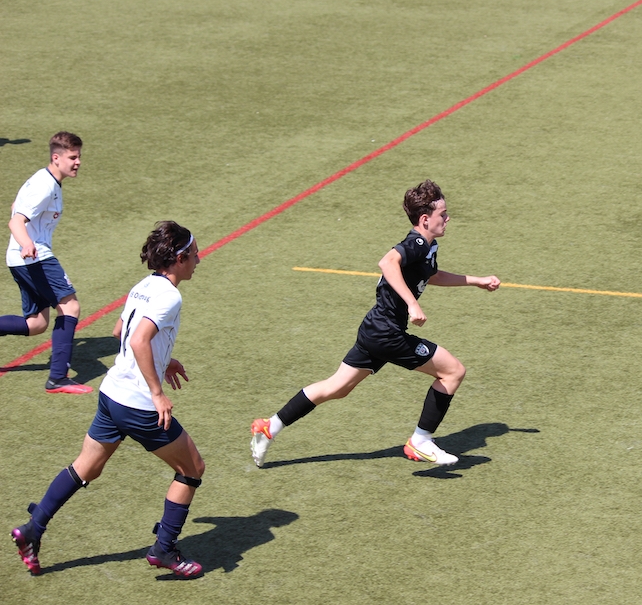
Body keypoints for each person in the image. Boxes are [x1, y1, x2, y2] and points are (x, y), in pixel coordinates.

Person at [250, 179, 500, 468]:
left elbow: (431, 275)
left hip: (374, 329)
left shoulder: (427, 247)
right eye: (442, 214)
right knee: (453, 371)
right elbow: (387, 263)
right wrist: (412, 303)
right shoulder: (416, 242)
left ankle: (269, 427)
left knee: (337, 387)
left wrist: (476, 281)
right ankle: (420, 442)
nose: (447, 219)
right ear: (424, 219)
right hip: (387, 334)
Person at [11, 221, 206, 578]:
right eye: (194, 254)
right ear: (179, 259)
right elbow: (138, 340)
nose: (199, 259)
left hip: (112, 394)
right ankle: (164, 549)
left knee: (86, 467)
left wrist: (163, 361)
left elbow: (120, 331)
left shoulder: (143, 286)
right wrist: (157, 393)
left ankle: (32, 529)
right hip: (138, 404)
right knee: (192, 468)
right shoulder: (169, 296)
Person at [1, 132, 91, 393]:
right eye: (72, 157)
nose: (78, 162)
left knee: (36, 324)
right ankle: (57, 378)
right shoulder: (45, 185)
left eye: (79, 157)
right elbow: (15, 221)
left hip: (21, 258)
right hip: (33, 257)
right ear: (56, 157)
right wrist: (27, 243)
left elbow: (16, 205)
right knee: (70, 307)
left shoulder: (46, 180)